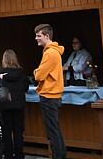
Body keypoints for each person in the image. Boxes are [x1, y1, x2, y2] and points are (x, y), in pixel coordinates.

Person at [33, 24, 66, 159]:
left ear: (47, 36)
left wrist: (36, 71)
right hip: (53, 95)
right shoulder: (53, 51)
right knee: (55, 129)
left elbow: (39, 75)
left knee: (52, 131)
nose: (36, 38)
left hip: (49, 95)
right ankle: (61, 155)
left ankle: (59, 156)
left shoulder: (50, 53)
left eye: (39, 35)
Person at [0, 50, 28, 159]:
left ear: (4, 59)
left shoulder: (0, 72)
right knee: (18, 133)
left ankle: (8, 155)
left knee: (6, 133)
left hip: (5, 106)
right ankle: (19, 155)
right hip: (19, 106)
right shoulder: (21, 72)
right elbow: (26, 88)